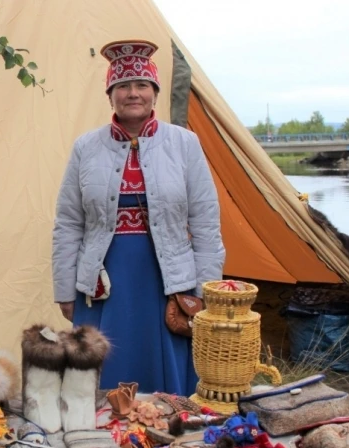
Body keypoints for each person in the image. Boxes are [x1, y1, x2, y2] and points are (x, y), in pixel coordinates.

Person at [51, 40, 225, 397]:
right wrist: (65, 287)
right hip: (104, 281)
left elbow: (205, 220)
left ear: (155, 93)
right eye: (123, 86)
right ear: (110, 94)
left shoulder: (184, 144)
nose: (133, 94)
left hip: (167, 277)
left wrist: (207, 287)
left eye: (142, 85)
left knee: (164, 371)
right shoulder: (86, 147)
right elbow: (68, 222)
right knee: (102, 370)